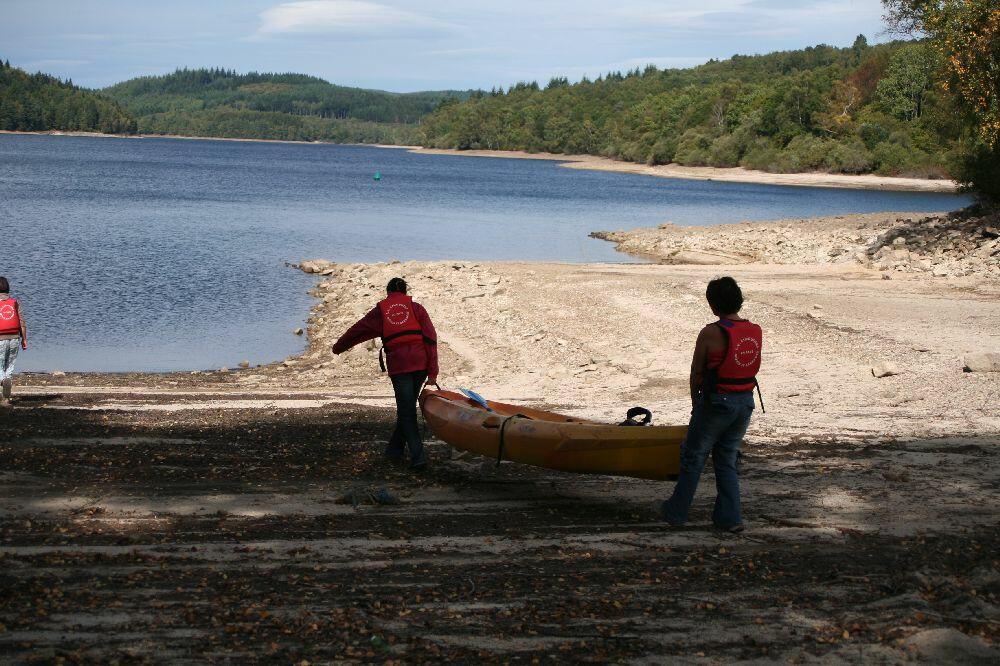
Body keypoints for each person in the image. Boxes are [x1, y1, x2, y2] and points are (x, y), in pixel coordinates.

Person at [659, 276, 762, 533]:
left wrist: (696, 403)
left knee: (693, 457)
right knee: (727, 459)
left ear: (713, 304)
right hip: (745, 401)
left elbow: (697, 372)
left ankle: (676, 511)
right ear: (738, 300)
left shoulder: (710, 332)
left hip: (717, 402)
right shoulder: (754, 330)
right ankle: (730, 518)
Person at [332, 277, 438, 469]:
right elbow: (431, 339)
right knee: (407, 409)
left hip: (400, 366)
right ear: (405, 292)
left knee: (406, 413)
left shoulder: (381, 312)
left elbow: (359, 330)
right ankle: (394, 451)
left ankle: (418, 457)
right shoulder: (417, 309)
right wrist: (433, 372)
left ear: (388, 293)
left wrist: (339, 347)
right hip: (421, 364)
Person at [0, 277, 28, 406]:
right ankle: (6, 398)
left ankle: (2, 380)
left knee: (0, 365)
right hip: (14, 338)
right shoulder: (15, 303)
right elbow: (22, 322)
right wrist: (24, 339)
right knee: (9, 365)